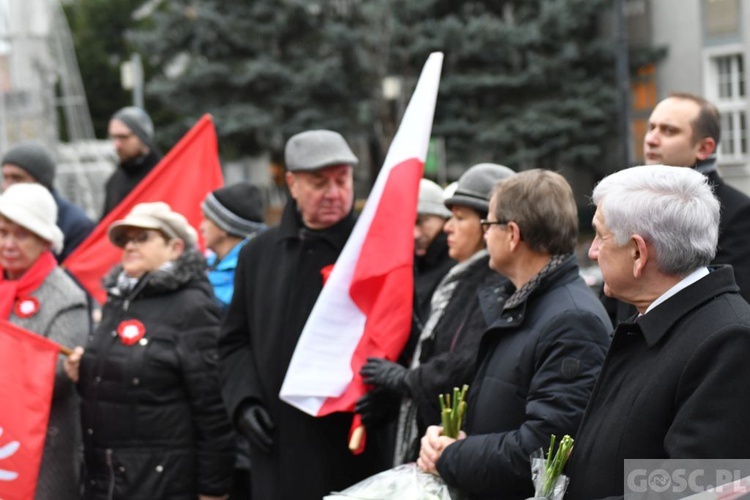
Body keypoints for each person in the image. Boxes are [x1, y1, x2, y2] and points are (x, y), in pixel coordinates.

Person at [417, 169, 611, 499]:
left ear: (512, 234)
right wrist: (449, 439)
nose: (484, 235)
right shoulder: (522, 302)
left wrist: (452, 455)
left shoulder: (572, 320)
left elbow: (542, 449)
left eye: (487, 224)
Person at [218, 130, 388, 500]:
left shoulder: (374, 250)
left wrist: (381, 397)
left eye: (341, 181)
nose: (334, 193)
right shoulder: (258, 254)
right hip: (276, 444)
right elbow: (234, 340)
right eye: (319, 183)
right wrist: (244, 402)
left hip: (349, 444)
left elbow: (396, 334)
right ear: (292, 184)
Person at [565, 165, 750, 499]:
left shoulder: (728, 342)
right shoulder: (658, 321)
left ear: (638, 252)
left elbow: (694, 488)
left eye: (600, 236)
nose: (592, 251)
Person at [63, 202, 234, 500]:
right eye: (126, 239)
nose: (130, 245)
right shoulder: (119, 298)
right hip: (107, 480)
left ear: (175, 248)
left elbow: (213, 408)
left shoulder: (192, 306)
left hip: (162, 483)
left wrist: (213, 490)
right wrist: (86, 371)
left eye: (142, 238)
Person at [358, 163, 516, 466]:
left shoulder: (497, 286)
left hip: (462, 446)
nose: (447, 227)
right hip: (440, 442)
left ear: (490, 225)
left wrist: (405, 379)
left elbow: (465, 360)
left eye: (458, 218)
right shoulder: (464, 278)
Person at [605, 92, 750, 322]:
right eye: (651, 127)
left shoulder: (737, 212)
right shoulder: (631, 204)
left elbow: (733, 304)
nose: (651, 138)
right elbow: (613, 304)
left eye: (668, 131)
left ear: (704, 147)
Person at [0, 183, 89, 500]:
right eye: (2, 232)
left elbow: (59, 374)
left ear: (44, 241)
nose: (8, 244)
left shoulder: (66, 297)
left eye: (21, 235)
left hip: (42, 446)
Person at [2, 141, 95, 262]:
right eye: (5, 177)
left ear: (41, 181)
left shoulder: (77, 224)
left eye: (17, 178)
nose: (7, 186)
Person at [202, 182, 267, 314]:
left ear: (223, 227)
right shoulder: (204, 265)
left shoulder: (254, 268)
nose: (201, 227)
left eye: (207, 219)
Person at [102, 106, 162, 218]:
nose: (117, 145)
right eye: (113, 137)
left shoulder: (163, 175)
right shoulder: (114, 181)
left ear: (142, 136)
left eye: (123, 137)